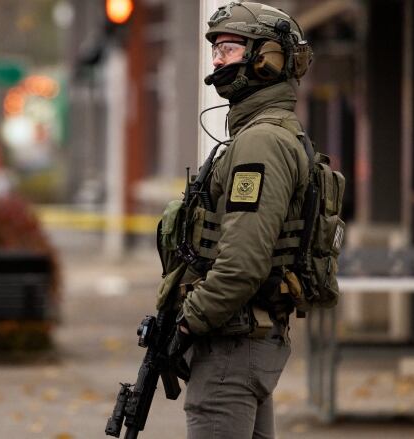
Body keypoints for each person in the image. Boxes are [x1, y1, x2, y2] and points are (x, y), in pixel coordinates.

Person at [168, 2, 314, 438]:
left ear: (267, 59)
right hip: (243, 337)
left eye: (228, 48)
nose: (216, 60)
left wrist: (187, 321)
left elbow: (241, 265)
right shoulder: (266, 134)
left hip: (232, 342)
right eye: (215, 49)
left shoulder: (261, 144)